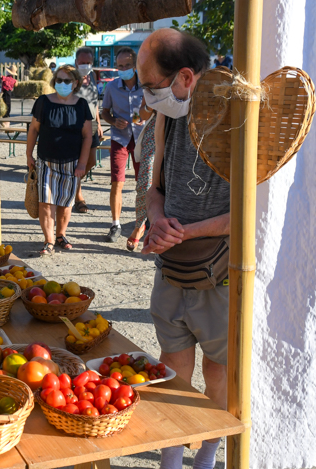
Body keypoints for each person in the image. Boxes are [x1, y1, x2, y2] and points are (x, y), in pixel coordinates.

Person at [138, 28, 230, 469]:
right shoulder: (167, 116)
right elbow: (155, 188)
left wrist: (188, 232)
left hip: (221, 272)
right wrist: (157, 219)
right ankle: (171, 455)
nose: (146, 94)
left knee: (219, 368)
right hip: (172, 267)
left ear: (186, 78)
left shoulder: (238, 119)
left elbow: (252, 216)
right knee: (171, 366)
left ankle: (208, 453)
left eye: (150, 84)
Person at [26, 65, 93, 255]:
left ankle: (61, 235)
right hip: (46, 161)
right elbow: (33, 129)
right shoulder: (43, 102)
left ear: (76, 83)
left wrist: (82, 163)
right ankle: (48, 241)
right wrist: (28, 154)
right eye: (59, 80)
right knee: (46, 203)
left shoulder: (81, 105)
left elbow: (87, 136)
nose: (62, 84)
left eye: (67, 80)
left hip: (72, 163)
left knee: (66, 203)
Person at [101, 47, 144, 242]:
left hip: (141, 138)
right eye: (120, 66)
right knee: (117, 182)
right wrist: (112, 121)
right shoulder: (111, 87)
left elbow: (155, 110)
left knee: (143, 184)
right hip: (120, 138)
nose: (123, 68)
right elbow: (105, 112)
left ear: (135, 66)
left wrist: (143, 118)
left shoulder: (146, 86)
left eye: (127, 65)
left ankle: (142, 223)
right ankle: (115, 224)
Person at [73, 47, 104, 214]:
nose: (85, 65)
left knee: (91, 161)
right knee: (80, 161)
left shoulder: (92, 76)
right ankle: (78, 197)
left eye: (88, 62)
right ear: (76, 61)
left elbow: (95, 101)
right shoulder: (70, 77)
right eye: (82, 62)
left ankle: (72, 186)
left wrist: (98, 123)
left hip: (91, 124)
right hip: (77, 126)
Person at [127, 98, 155, 251]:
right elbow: (138, 117)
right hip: (154, 131)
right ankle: (140, 225)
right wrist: (152, 103)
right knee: (145, 182)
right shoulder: (152, 83)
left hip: (183, 130)